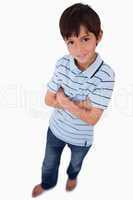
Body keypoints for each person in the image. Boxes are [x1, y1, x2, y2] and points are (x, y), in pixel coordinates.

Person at [32, 3, 115, 198]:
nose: (79, 49)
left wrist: (64, 99)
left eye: (85, 39)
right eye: (71, 42)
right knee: (48, 164)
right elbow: (47, 100)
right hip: (56, 129)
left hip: (81, 138)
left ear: (99, 36)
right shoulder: (62, 63)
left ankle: (72, 177)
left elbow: (93, 119)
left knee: (76, 163)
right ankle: (47, 184)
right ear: (65, 42)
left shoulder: (106, 74)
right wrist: (83, 105)